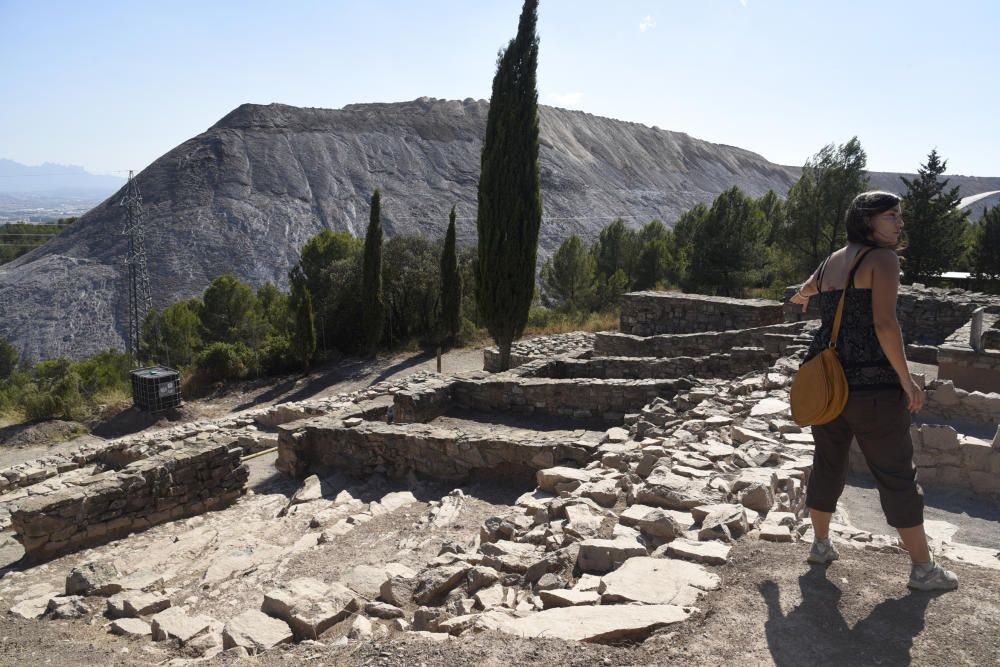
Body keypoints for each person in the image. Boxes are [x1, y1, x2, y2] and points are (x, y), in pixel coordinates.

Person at [789, 190, 958, 591]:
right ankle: (922, 569)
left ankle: (821, 544)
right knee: (896, 472)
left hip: (828, 384)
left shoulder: (832, 260)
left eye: (899, 216)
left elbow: (807, 289)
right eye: (891, 216)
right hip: (873, 386)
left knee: (828, 461)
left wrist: (797, 297)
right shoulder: (882, 259)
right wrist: (906, 377)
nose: (900, 223)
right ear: (867, 220)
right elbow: (884, 324)